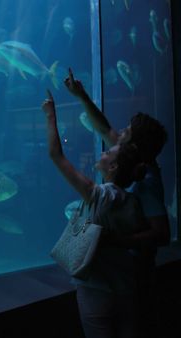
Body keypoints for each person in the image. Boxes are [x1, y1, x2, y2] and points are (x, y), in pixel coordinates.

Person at [64, 68, 170, 336]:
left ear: (134, 145)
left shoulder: (148, 180)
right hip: (116, 272)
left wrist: (115, 240)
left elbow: (161, 232)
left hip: (133, 274)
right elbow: (103, 127)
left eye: (127, 131)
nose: (119, 131)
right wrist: (82, 95)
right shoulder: (129, 159)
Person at [42, 89, 149, 338]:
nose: (103, 152)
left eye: (107, 152)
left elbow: (56, 156)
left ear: (112, 166)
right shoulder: (133, 201)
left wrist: (50, 115)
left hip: (96, 287)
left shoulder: (97, 194)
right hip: (126, 286)